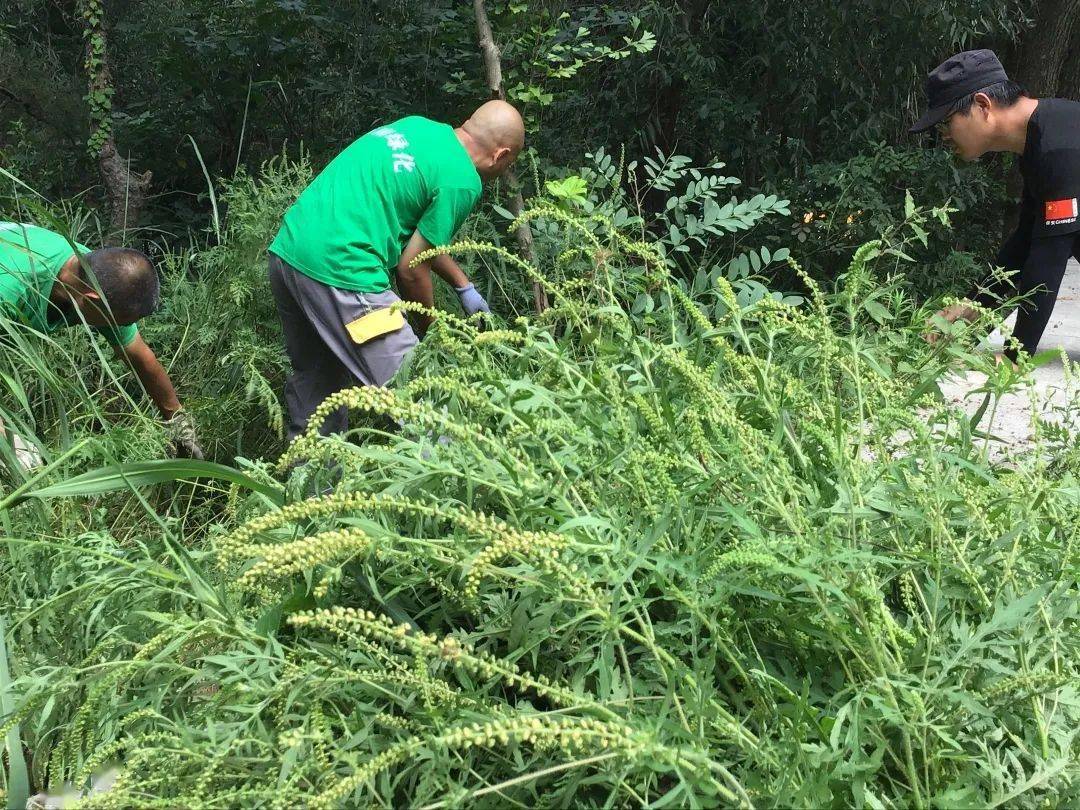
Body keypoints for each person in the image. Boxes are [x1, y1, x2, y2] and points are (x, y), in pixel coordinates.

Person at [267, 100, 525, 440]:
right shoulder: (462, 180)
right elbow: (411, 270)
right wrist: (434, 334)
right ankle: (463, 486)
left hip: (289, 254)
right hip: (345, 273)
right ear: (501, 156)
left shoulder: (418, 127)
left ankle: (313, 488)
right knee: (429, 406)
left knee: (318, 393)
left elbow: (421, 241)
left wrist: (463, 285)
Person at [912, 49, 1080, 362]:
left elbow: (1047, 264)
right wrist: (971, 307)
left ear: (982, 105)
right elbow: (1025, 242)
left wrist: (1016, 358)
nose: (945, 136)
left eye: (947, 122)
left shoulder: (1059, 149)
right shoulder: (1043, 140)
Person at [0, 222, 203, 461]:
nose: (120, 329)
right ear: (90, 300)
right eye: (118, 322)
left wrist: (179, 424)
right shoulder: (10, 287)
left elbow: (137, 354)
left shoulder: (96, 274)